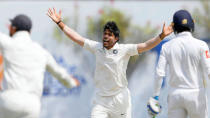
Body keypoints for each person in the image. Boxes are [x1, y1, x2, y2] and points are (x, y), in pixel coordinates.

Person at [47, 8, 173, 118]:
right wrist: (59, 23)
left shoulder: (124, 50)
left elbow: (146, 45)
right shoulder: (96, 47)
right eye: (104, 34)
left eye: (109, 34)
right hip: (101, 100)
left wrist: (161, 36)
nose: (106, 37)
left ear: (116, 38)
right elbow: (76, 37)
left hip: (120, 99)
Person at [0, 14, 80, 118]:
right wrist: (72, 82)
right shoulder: (41, 52)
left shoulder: (9, 44)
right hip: (32, 104)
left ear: (12, 28)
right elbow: (59, 73)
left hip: (10, 101)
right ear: (30, 31)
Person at [148, 9, 210, 118]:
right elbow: (208, 71)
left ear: (173, 26)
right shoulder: (202, 45)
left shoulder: (166, 46)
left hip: (175, 95)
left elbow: (159, 74)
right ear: (192, 23)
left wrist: (155, 96)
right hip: (196, 94)